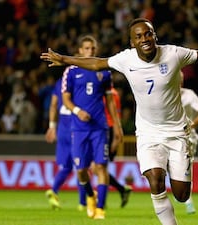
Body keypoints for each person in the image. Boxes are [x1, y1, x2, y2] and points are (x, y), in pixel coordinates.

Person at [41, 18, 198, 225]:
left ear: (155, 36)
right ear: (132, 42)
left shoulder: (173, 53)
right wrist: (64, 59)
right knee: (155, 178)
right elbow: (96, 62)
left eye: (148, 34)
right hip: (148, 133)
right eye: (139, 36)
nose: (145, 38)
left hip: (177, 132)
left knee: (182, 194)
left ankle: (182, 176)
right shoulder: (126, 59)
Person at [61, 35, 123, 220]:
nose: (90, 51)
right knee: (81, 169)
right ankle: (90, 196)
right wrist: (78, 111)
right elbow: (66, 99)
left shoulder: (104, 72)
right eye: (87, 48)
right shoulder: (71, 71)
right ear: (80, 50)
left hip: (100, 127)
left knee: (101, 167)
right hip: (79, 128)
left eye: (93, 48)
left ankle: (101, 209)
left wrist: (117, 127)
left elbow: (110, 102)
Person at [77, 87, 132, 210]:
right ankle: (119, 191)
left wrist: (115, 138)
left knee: (99, 168)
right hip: (98, 130)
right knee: (97, 168)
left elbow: (115, 114)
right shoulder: (103, 90)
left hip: (107, 130)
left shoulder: (111, 93)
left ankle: (103, 201)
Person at [180, 71, 198, 214]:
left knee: (185, 169)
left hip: (187, 138)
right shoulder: (163, 94)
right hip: (167, 136)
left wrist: (190, 125)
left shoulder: (188, 95)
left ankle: (188, 201)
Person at [44, 77, 73, 210]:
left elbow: (53, 105)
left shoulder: (59, 82)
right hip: (77, 128)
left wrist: (51, 126)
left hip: (62, 129)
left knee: (66, 166)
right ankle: (84, 203)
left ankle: (54, 191)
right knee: (82, 165)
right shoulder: (81, 78)